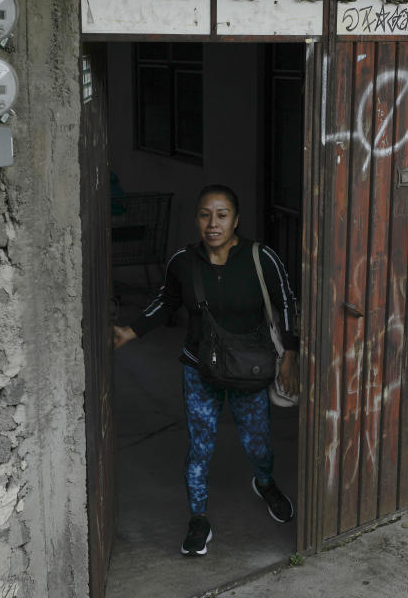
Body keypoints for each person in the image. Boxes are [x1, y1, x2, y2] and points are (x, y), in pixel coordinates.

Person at [113, 184, 300, 557]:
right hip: (199, 369)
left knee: (259, 444)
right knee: (200, 448)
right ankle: (198, 518)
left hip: (250, 368)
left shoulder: (262, 258)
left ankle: (264, 482)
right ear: (197, 219)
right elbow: (167, 301)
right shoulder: (183, 261)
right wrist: (131, 331)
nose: (212, 223)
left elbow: (286, 302)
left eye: (222, 215)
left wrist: (291, 357)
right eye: (205, 214)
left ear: (236, 220)